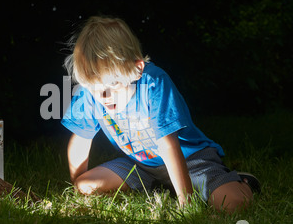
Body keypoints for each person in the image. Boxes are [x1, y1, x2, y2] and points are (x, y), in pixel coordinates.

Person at [61, 16, 260, 213]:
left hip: (190, 159)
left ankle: (242, 183)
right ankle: (160, 186)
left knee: (232, 204)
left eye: (113, 84)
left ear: (136, 68)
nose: (104, 96)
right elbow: (81, 139)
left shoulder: (154, 83)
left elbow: (168, 144)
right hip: (140, 164)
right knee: (86, 185)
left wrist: (186, 204)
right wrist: (76, 185)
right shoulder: (90, 93)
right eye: (95, 88)